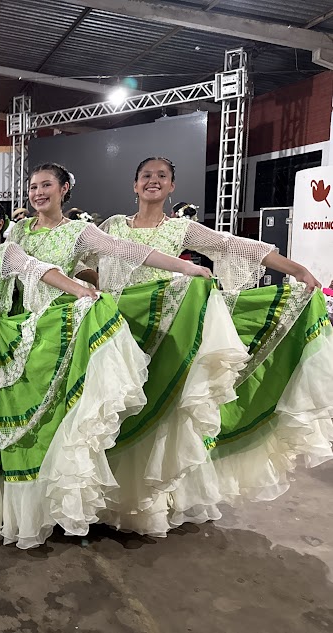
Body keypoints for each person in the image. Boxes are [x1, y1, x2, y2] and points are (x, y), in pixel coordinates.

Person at [95, 156, 332, 528]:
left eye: (162, 176)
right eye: (145, 176)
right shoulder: (111, 226)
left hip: (167, 331)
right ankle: (102, 494)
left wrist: (296, 268)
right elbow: (86, 257)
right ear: (134, 185)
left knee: (159, 410)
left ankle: (145, 501)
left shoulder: (182, 229)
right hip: (116, 327)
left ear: (172, 186)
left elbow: (236, 245)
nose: (153, 181)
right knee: (114, 409)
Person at [8, 162, 227, 536]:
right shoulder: (17, 231)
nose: (38, 192)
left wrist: (185, 268)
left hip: (64, 332)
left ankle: (58, 502)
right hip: (21, 332)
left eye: (47, 184)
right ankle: (22, 499)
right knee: (22, 416)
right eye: (32, 186)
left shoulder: (82, 231)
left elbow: (127, 250)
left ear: (64, 190)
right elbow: (10, 265)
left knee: (63, 417)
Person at [0, 198, 151, 545]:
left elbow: (38, 270)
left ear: (0, 224)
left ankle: (8, 508)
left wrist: (79, 289)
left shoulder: (9, 253)